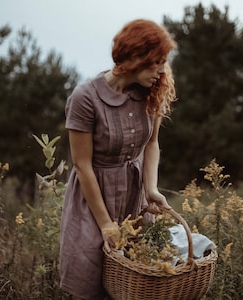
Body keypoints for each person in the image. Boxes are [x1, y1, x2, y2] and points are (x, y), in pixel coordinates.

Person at [60, 19, 177, 300]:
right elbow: (82, 165)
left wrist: (151, 189)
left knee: (134, 284)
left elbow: (151, 144)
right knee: (90, 279)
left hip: (133, 195)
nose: (162, 70)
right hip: (93, 199)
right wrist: (106, 224)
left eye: (163, 62)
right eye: (156, 61)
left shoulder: (151, 91)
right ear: (135, 56)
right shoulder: (85, 98)